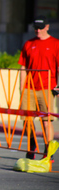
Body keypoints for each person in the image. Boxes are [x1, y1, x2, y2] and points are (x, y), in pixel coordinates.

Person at [18, 15, 59, 160]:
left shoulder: (55, 44)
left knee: (46, 121)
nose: (38, 30)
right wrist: (21, 88)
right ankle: (32, 147)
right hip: (29, 88)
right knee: (27, 120)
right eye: (35, 28)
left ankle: (49, 150)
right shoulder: (29, 43)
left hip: (47, 87)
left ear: (47, 27)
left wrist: (58, 86)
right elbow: (23, 67)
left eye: (40, 28)